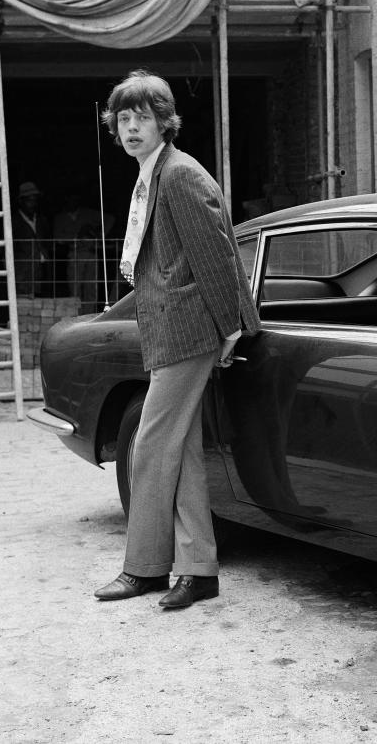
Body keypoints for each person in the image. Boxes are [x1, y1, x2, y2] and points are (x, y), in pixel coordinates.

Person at [94, 69, 260, 609]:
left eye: (143, 117)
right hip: (171, 331)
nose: (132, 127)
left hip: (190, 332)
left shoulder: (180, 175)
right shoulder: (153, 173)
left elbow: (217, 254)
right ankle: (199, 569)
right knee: (182, 452)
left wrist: (233, 326)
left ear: (165, 122)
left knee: (150, 445)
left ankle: (143, 568)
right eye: (124, 118)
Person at [12, 181, 52, 297]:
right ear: (21, 201)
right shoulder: (13, 222)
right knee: (26, 303)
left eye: (35, 200)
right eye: (29, 201)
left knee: (45, 302)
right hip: (23, 272)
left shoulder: (42, 220)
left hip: (44, 269)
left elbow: (48, 242)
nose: (33, 204)